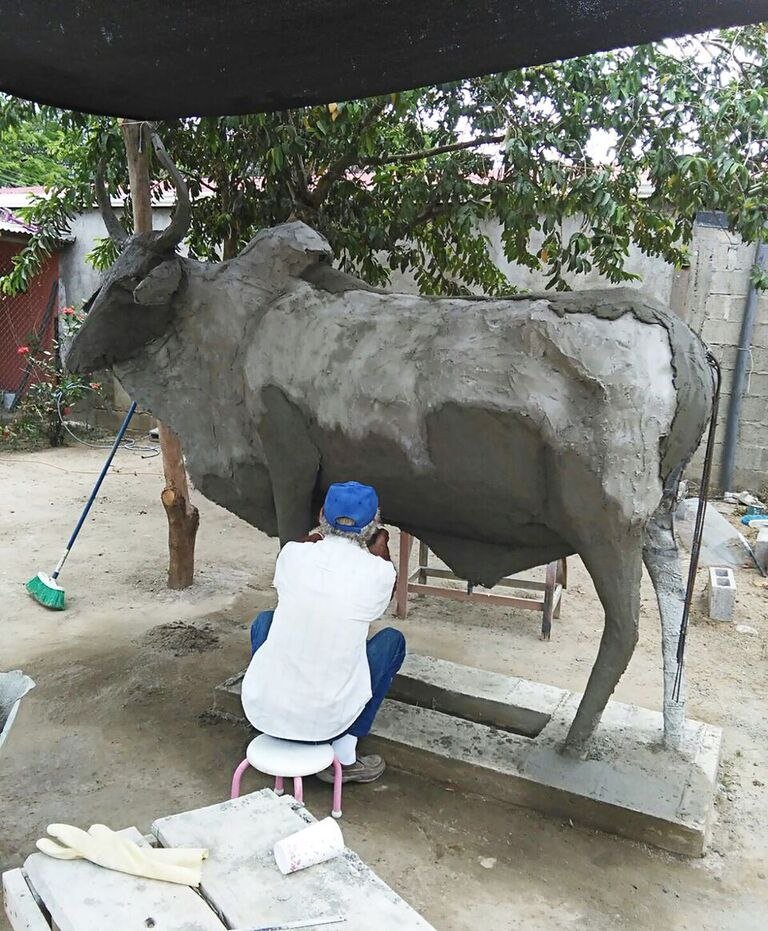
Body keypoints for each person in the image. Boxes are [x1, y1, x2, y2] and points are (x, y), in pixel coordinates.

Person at [241, 481, 406, 783]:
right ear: (374, 526)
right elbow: (380, 604)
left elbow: (304, 554)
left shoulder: (292, 554)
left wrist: (317, 536)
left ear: (321, 515)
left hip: (264, 712)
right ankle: (344, 753)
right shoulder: (378, 571)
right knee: (392, 642)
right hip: (327, 721)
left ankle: (272, 721)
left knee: (266, 621)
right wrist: (382, 551)